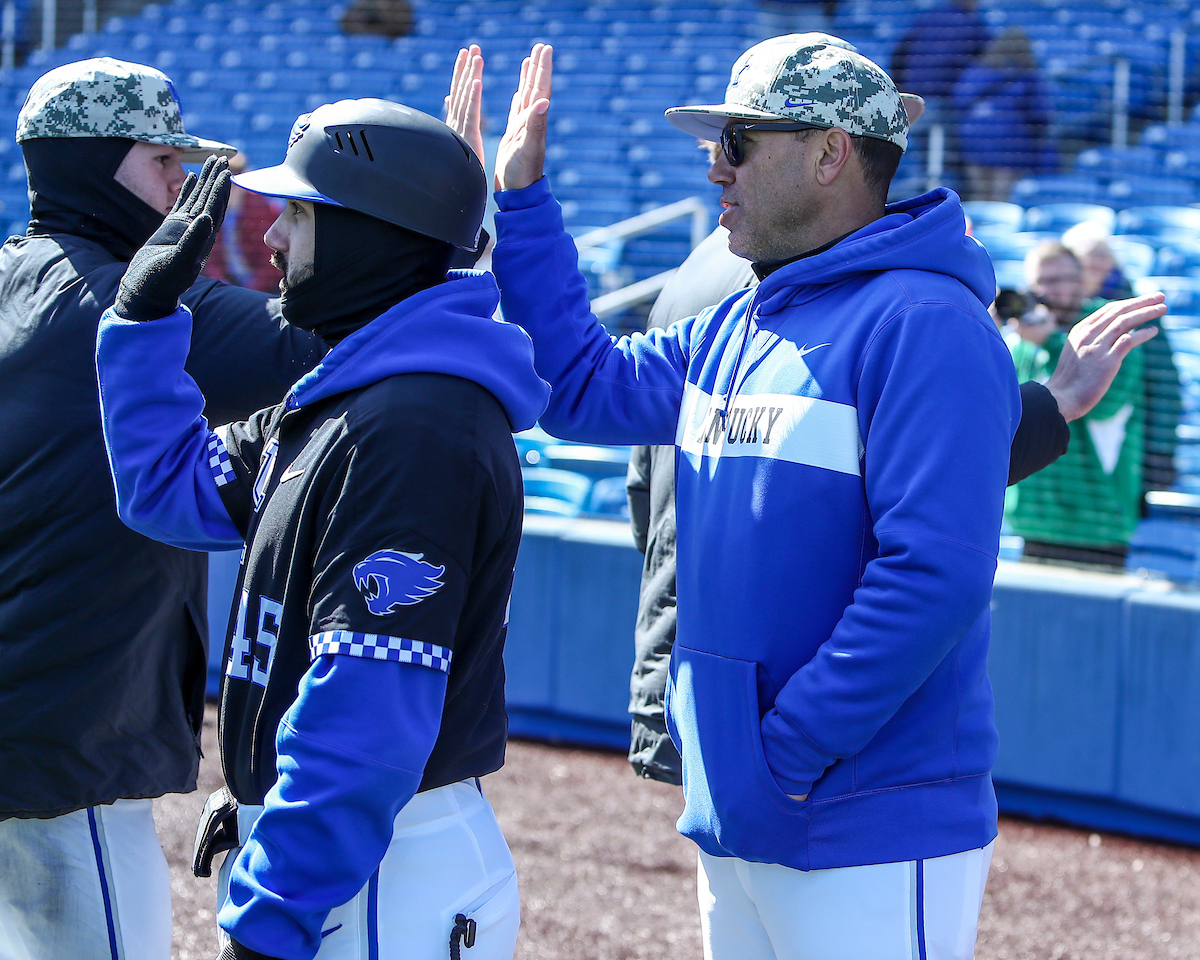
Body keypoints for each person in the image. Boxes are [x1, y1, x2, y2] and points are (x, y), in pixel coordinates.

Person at [479, 33, 1020, 958]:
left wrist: (784, 756)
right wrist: (522, 204)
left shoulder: (928, 323)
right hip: (748, 803)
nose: (715, 167)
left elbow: (933, 578)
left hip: (863, 826)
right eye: (712, 145)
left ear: (829, 153)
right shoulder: (740, 317)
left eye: (739, 142)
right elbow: (576, 387)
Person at [95, 96, 549, 959]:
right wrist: (143, 325)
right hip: (348, 861)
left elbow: (367, 717)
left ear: (367, 235)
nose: (268, 241)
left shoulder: (417, 425)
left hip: (383, 872)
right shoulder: (347, 399)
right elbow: (166, 492)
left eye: (297, 216)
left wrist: (273, 915)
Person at [628, 218, 1164, 786]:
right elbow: (912, 500)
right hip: (782, 692)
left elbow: (644, 487)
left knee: (717, 853)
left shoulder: (692, 276)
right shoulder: (826, 278)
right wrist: (789, 753)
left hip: (693, 666)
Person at [0, 58, 325, 960]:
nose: (184, 190)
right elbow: (330, 339)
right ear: (96, 165)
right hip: (66, 742)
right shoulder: (122, 301)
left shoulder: (14, 276)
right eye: (162, 164)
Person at [1062, 223, 1181, 497]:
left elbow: (1163, 386)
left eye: (1093, 265)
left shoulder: (1136, 312)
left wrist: (1158, 455)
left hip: (1123, 453)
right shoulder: (1062, 308)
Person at [953, 27, 1054, 202]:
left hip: (974, 142)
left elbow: (958, 101)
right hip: (1011, 145)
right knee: (1001, 198)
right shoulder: (1028, 76)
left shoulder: (976, 71)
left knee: (979, 195)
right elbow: (1041, 114)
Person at [203, 152, 284, 293]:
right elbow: (211, 258)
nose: (228, 192)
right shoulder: (212, 209)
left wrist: (246, 292)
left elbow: (271, 264)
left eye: (232, 185)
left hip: (266, 289)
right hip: (231, 285)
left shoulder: (261, 210)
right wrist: (222, 288)